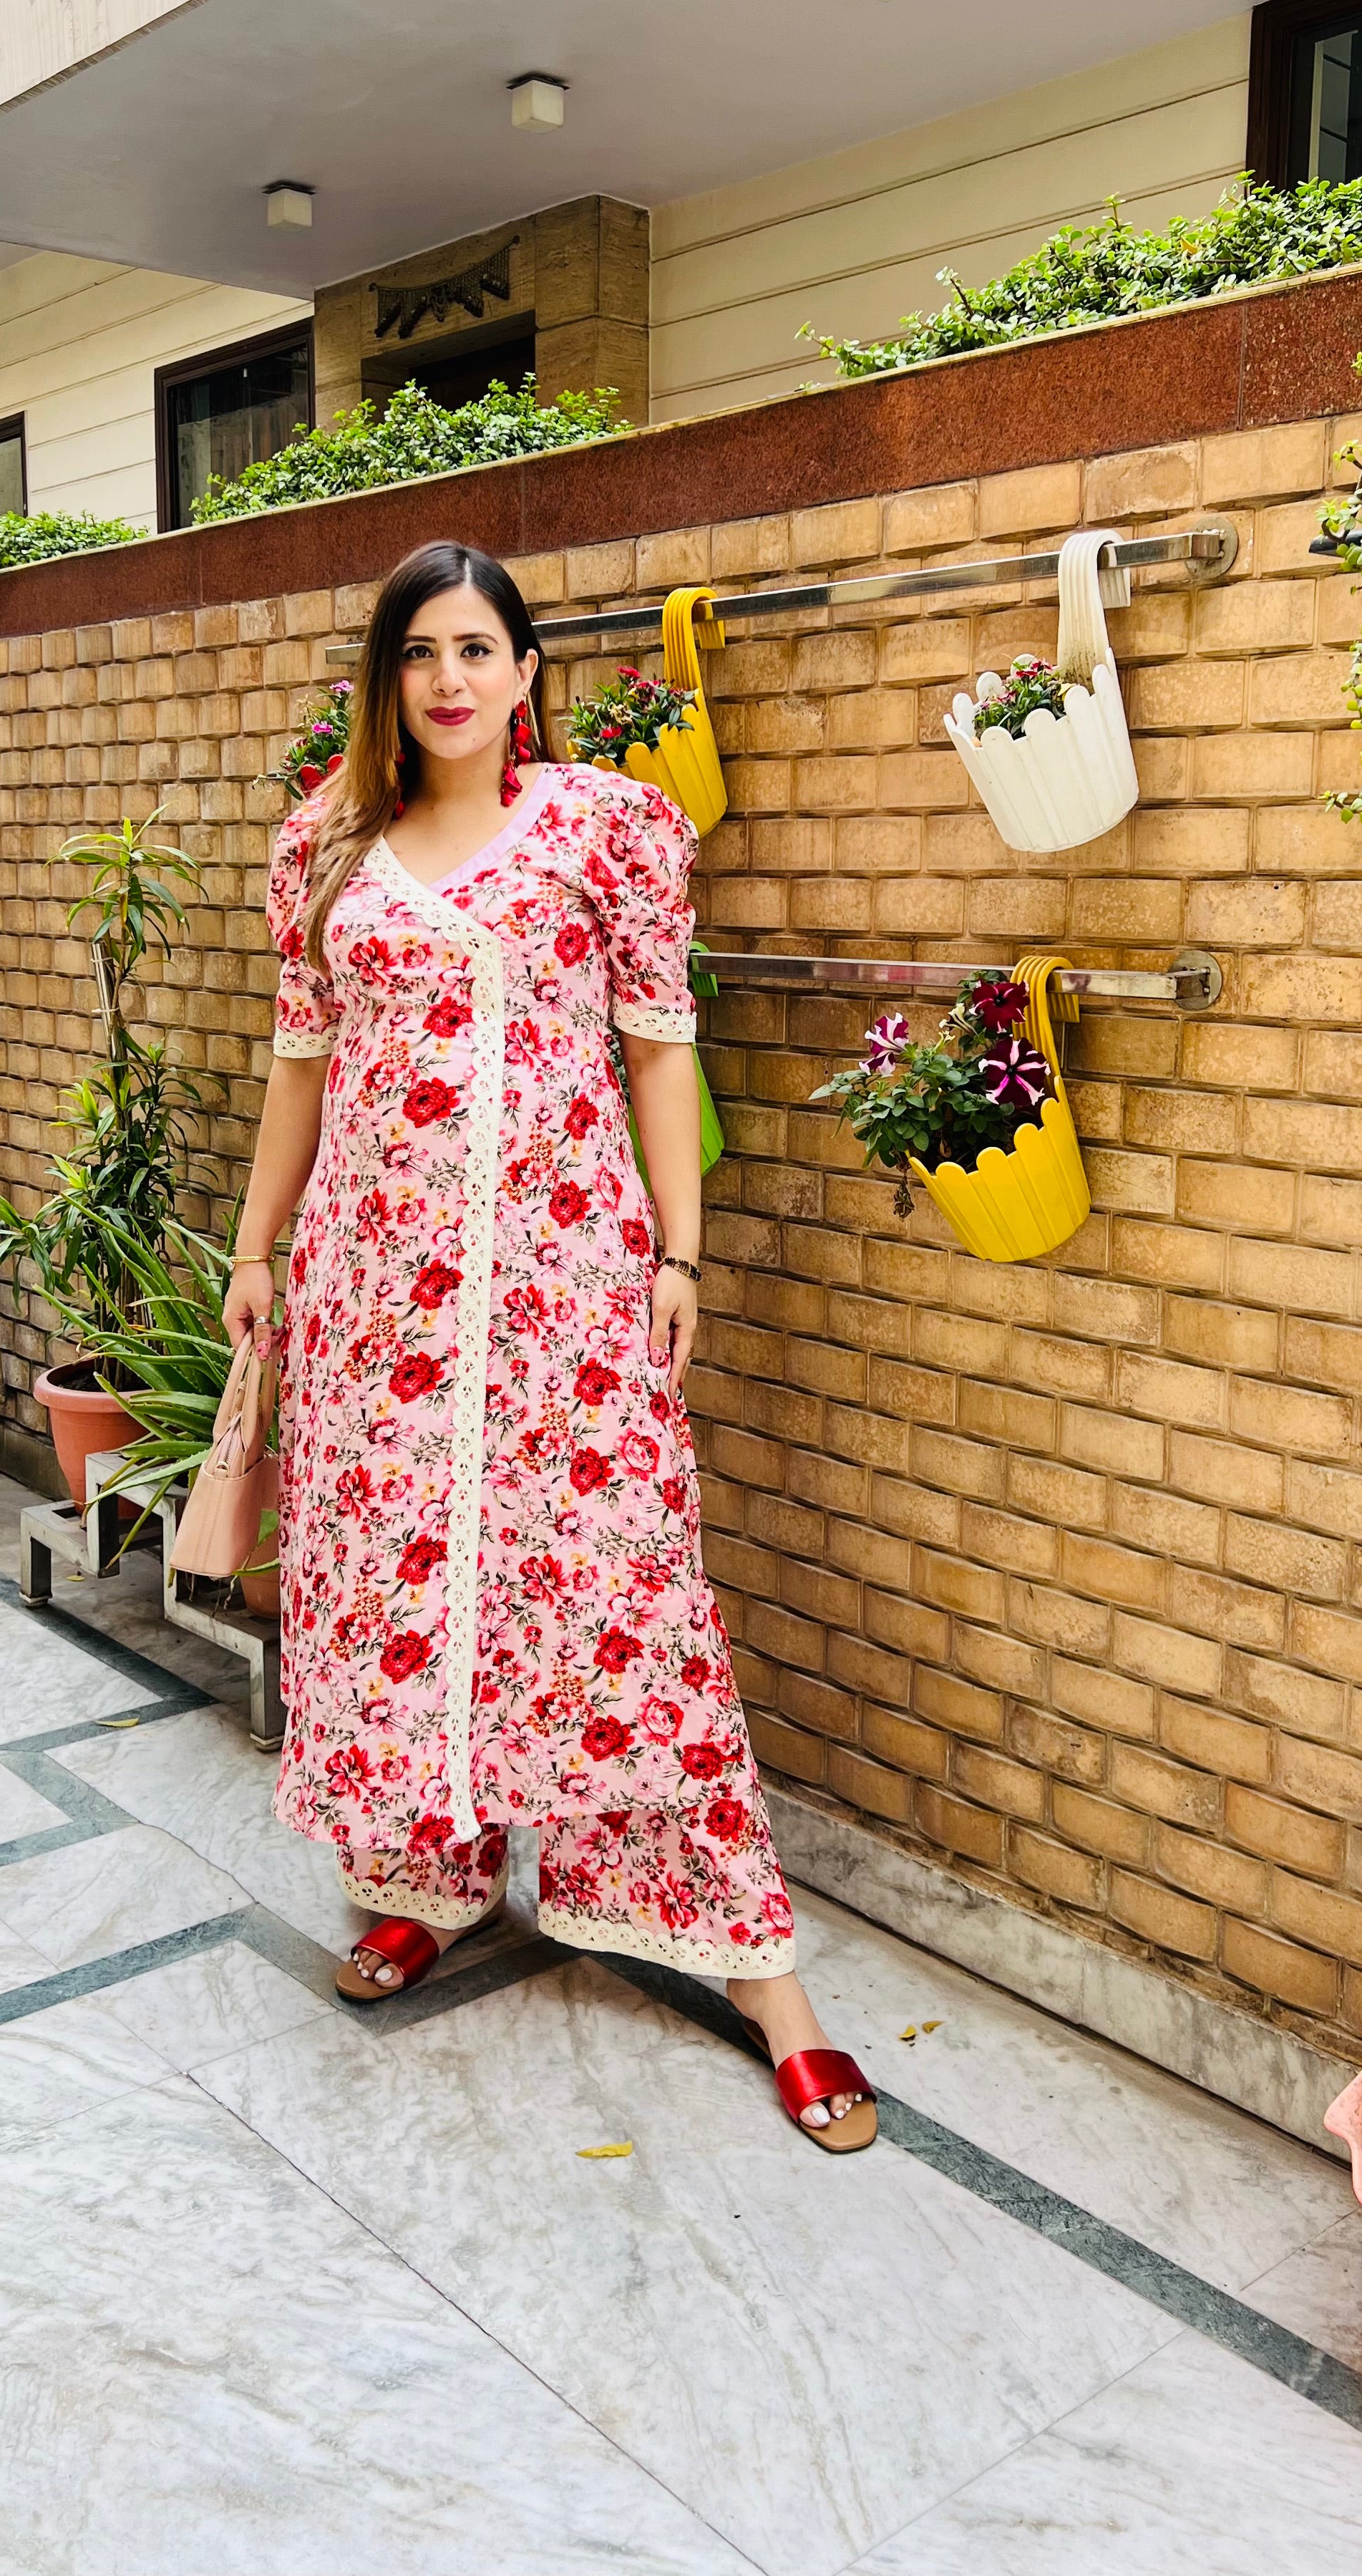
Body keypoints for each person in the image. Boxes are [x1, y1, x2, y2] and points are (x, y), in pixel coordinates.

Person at [223, 540, 875, 2152]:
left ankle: (759, 1973)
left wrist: (677, 1246)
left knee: (615, 1592)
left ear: (526, 674)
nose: (448, 678)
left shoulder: (607, 830)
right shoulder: (326, 847)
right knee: (399, 1583)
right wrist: (259, 1252)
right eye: (419, 653)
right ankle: (420, 1881)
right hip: (379, 1299)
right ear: (389, 682)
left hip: (564, 1294)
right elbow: (301, 1075)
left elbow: (663, 1056)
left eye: (476, 649)